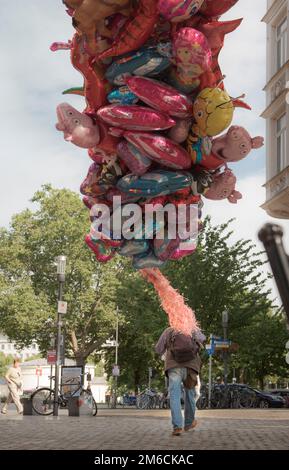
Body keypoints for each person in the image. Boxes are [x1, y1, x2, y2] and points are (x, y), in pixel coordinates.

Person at [155, 327, 204, 436]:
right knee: (190, 395)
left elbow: (158, 349)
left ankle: (177, 426)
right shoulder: (193, 329)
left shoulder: (169, 331)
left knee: (175, 396)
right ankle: (189, 423)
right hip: (191, 367)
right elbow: (202, 341)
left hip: (174, 367)